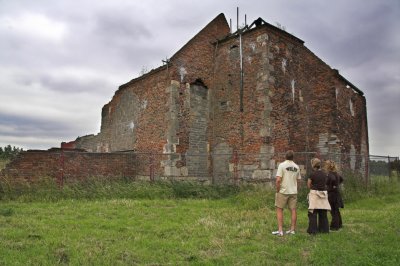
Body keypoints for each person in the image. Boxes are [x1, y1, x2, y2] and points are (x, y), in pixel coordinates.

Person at [272, 150, 302, 236]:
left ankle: (280, 230)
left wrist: (278, 190)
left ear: (285, 156)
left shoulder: (282, 165)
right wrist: (296, 189)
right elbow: (298, 180)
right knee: (293, 210)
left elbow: (278, 180)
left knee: (279, 209)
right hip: (293, 191)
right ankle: (292, 230)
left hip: (283, 191)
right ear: (293, 157)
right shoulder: (296, 166)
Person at [307, 158, 331, 234]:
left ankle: (313, 230)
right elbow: (326, 183)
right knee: (323, 213)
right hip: (323, 194)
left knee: (313, 213)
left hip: (315, 194)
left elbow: (309, 184)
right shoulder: (324, 173)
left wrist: (313, 187)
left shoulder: (312, 174)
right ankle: (324, 230)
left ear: (313, 165)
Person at [326, 160, 344, 230]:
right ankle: (339, 224)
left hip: (331, 194)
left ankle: (334, 226)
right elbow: (342, 179)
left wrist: (333, 185)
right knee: (336, 210)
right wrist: (337, 185)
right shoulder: (337, 174)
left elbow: (332, 180)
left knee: (333, 210)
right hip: (337, 193)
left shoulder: (330, 174)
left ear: (328, 166)